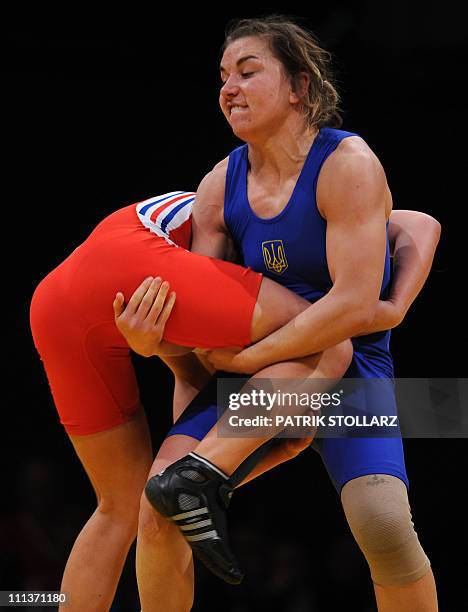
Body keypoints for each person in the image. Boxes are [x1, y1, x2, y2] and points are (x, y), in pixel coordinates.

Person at [115, 15, 441, 612]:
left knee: (385, 528)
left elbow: (349, 307)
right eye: (221, 77)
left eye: (247, 71)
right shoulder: (218, 185)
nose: (228, 88)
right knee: (158, 506)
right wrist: (153, 344)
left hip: (347, 374)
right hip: (258, 371)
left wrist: (245, 356)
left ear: (299, 86)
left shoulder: (347, 164)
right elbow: (199, 317)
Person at [30, 190, 356, 612]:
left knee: (119, 507)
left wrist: (165, 348)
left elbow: (192, 384)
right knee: (329, 343)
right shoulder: (273, 227)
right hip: (127, 263)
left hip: (57, 305)